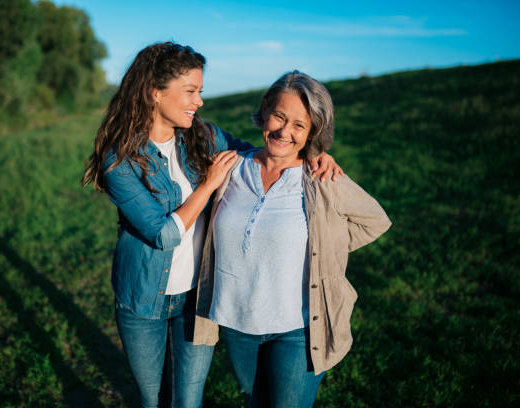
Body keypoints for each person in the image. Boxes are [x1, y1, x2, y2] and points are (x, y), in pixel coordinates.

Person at [82, 43, 343, 408]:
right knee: (152, 398)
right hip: (143, 299)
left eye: (200, 92)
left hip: (196, 297)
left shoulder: (203, 136)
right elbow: (163, 234)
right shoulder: (119, 160)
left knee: (188, 400)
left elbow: (261, 154)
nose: (199, 101)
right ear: (156, 93)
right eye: (191, 91)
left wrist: (314, 151)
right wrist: (207, 186)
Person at [193, 71, 392, 407]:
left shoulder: (320, 177)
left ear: (313, 131)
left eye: (299, 125)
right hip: (237, 322)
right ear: (265, 110)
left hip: (298, 328)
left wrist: (324, 245)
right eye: (279, 117)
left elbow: (375, 221)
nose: (285, 131)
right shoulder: (231, 167)